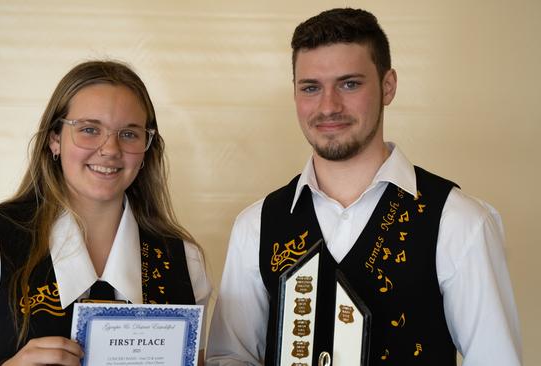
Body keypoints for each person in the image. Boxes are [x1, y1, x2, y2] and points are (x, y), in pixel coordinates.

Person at [206, 8, 521, 366]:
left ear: (388, 86)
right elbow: (230, 358)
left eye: (349, 84)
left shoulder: (458, 220)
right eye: (311, 88)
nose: (329, 106)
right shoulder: (256, 225)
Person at [0, 60, 211, 365]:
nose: (110, 149)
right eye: (90, 129)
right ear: (55, 139)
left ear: (146, 149)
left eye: (129, 134)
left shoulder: (184, 260)